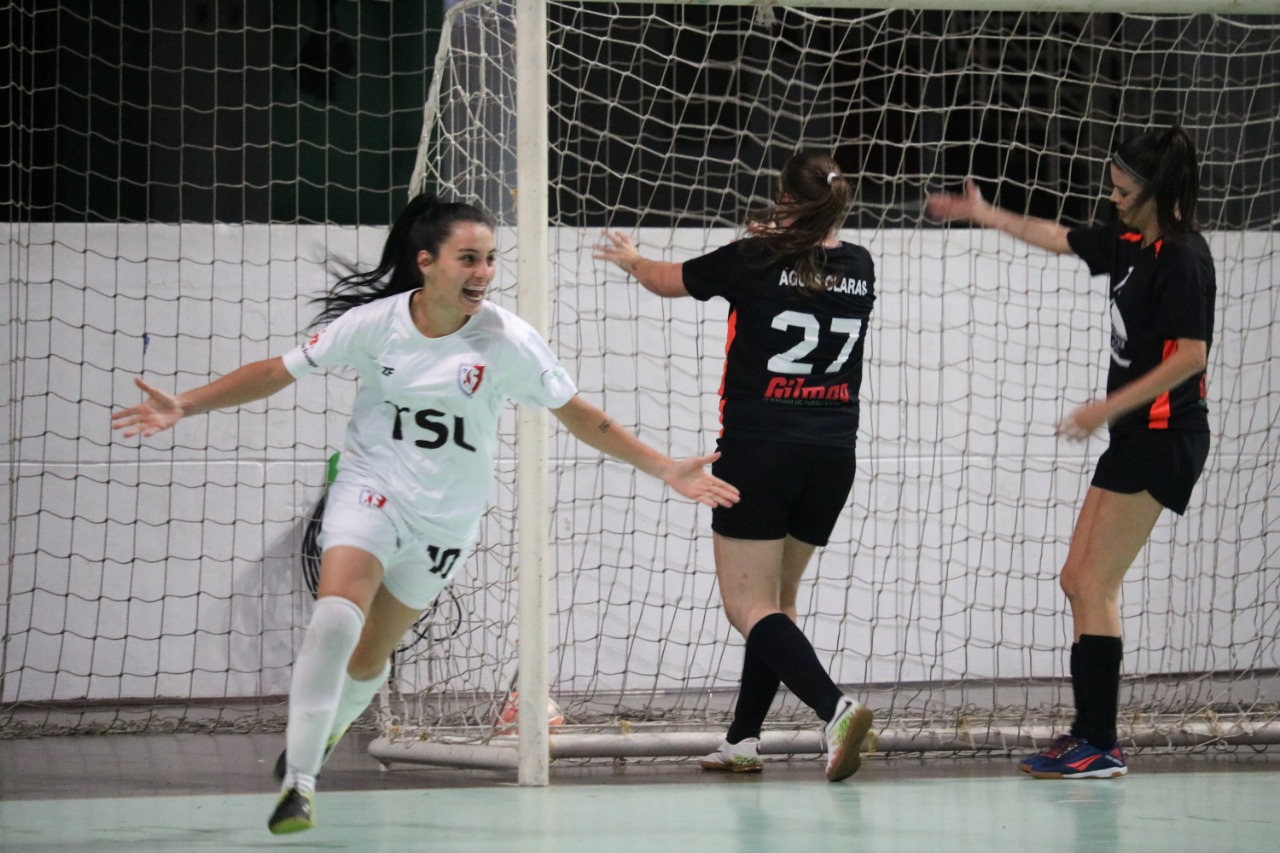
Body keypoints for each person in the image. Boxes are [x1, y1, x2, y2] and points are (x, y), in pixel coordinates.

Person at [112, 194, 740, 834]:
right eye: (468, 258)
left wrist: (663, 467)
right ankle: (298, 784)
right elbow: (279, 370)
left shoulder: (506, 339)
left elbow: (580, 414)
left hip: (445, 524)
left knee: (365, 662)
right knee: (334, 615)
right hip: (371, 490)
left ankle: (326, 733)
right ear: (427, 262)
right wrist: (185, 404)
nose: (483, 272)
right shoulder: (378, 324)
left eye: (491, 260)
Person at [925, 125, 1215, 779]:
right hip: (1134, 438)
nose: (1110, 194)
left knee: (1094, 581)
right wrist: (985, 213)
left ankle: (1101, 744)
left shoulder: (1184, 257)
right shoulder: (1129, 239)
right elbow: (1058, 237)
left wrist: (1102, 410)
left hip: (1166, 437)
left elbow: (1192, 356)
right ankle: (1087, 734)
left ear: (1156, 190)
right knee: (1074, 579)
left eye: (1122, 187)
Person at [594, 150, 877, 782]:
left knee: (747, 605)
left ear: (784, 200)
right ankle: (744, 739)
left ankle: (836, 710)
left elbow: (668, 280)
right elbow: (813, 264)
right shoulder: (861, 264)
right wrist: (781, 235)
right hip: (833, 455)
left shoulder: (752, 258)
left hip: (761, 450)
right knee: (776, 602)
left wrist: (633, 258)